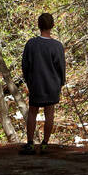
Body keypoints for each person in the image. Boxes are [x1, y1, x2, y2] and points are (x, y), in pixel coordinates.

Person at [20, 12, 65, 154]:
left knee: (32, 112)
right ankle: (45, 144)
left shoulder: (31, 44)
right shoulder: (57, 46)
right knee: (49, 113)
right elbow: (61, 67)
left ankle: (30, 144)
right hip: (52, 85)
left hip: (36, 84)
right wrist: (61, 82)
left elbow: (25, 65)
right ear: (52, 25)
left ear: (39, 26)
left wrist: (29, 81)